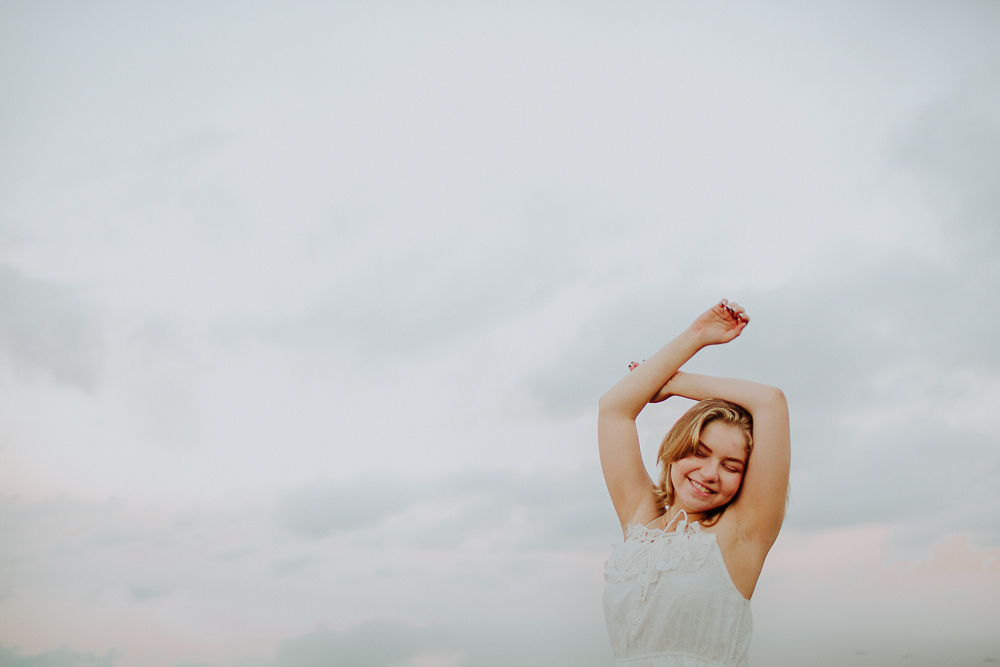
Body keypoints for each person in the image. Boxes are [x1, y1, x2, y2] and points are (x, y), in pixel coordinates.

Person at [598, 299, 790, 667]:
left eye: (731, 465)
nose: (709, 473)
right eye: (699, 453)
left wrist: (673, 383)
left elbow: (770, 402)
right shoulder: (641, 517)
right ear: (675, 449)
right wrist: (696, 334)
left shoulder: (743, 534)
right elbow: (614, 409)